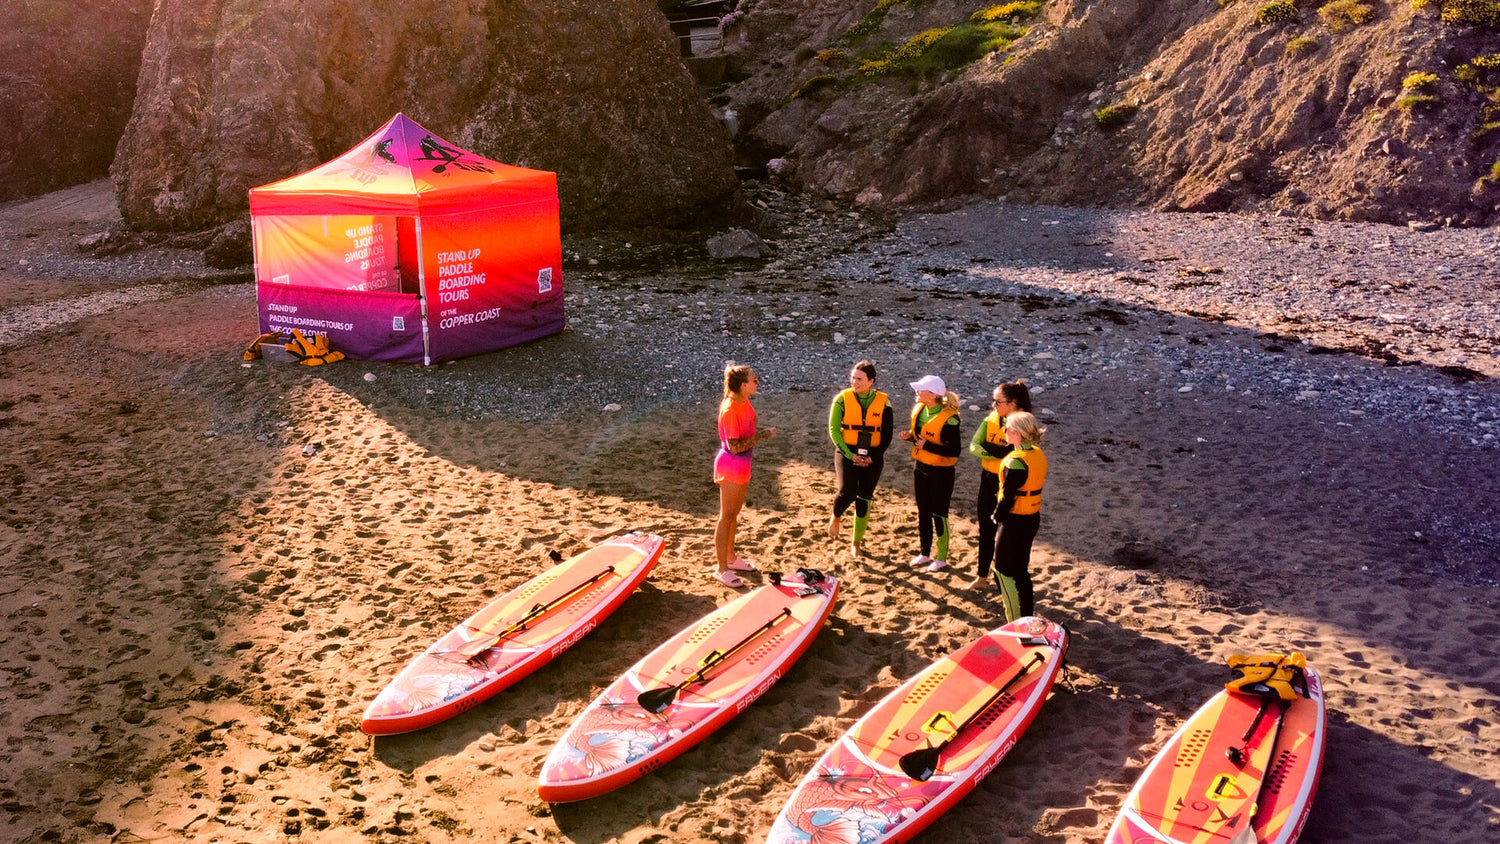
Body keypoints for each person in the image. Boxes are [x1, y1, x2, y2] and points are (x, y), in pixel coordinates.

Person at [713, 363, 777, 587]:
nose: (757, 382)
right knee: (726, 516)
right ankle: (721, 569)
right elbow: (734, 446)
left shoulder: (743, 400)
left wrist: (758, 433)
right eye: (754, 379)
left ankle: (731, 558)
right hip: (732, 464)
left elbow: (749, 424)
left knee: (734, 514)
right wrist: (762, 436)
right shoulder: (731, 408)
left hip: (741, 465)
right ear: (742, 385)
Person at [967, 381, 1034, 590]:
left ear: (1013, 404)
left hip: (1010, 482)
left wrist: (995, 451)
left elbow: (1026, 453)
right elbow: (974, 445)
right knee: (986, 529)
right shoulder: (991, 420)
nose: (993, 405)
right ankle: (982, 577)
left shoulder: (1024, 424)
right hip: (988, 479)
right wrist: (993, 452)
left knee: (1008, 534)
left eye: (998, 401)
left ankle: (1008, 579)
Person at [827, 361, 893, 559]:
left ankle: (856, 543)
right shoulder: (842, 399)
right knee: (847, 491)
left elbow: (887, 434)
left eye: (859, 379)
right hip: (846, 451)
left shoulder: (884, 403)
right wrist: (849, 454)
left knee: (864, 498)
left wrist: (872, 457)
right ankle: (836, 517)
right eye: (852, 378)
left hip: (873, 455)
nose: (854, 382)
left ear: (871, 381)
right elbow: (833, 430)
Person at [897, 375, 961, 572]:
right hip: (921, 468)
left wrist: (929, 446)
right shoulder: (920, 410)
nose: (917, 392)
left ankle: (941, 557)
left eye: (921, 390)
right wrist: (910, 437)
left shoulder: (950, 419)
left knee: (939, 514)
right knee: (923, 511)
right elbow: (920, 440)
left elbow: (954, 451)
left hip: (941, 472)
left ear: (932, 395)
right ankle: (925, 553)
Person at [991, 411, 1047, 622]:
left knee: (1002, 571)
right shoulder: (1037, 454)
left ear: (1020, 434)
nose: (1004, 431)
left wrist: (997, 515)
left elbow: (1009, 496)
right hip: (1032, 517)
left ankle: (1014, 620)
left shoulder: (1016, 462)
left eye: (1008, 428)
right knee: (1021, 570)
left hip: (1014, 520)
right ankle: (1027, 616)